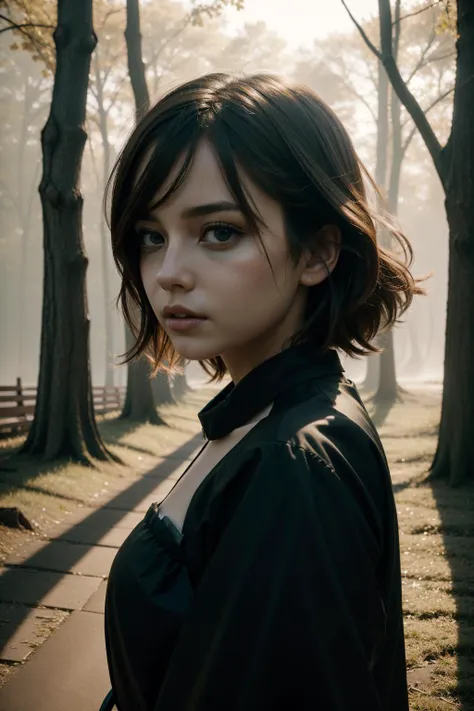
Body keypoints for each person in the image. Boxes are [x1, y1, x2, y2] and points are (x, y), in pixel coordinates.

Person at [102, 72, 423, 711]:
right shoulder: (261, 419)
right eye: (151, 237)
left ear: (318, 253)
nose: (167, 274)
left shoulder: (299, 463)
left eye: (219, 231)